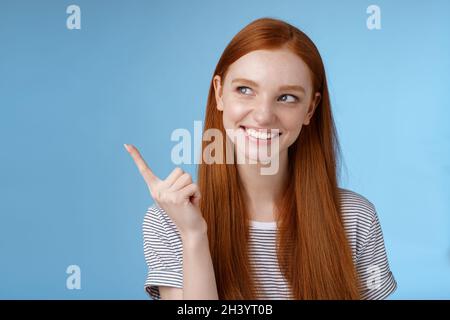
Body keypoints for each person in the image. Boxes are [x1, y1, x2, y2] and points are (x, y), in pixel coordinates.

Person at [125, 17, 397, 300]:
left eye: (287, 97)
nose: (264, 114)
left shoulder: (355, 218)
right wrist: (194, 235)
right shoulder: (170, 220)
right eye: (245, 90)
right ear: (219, 93)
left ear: (310, 109)